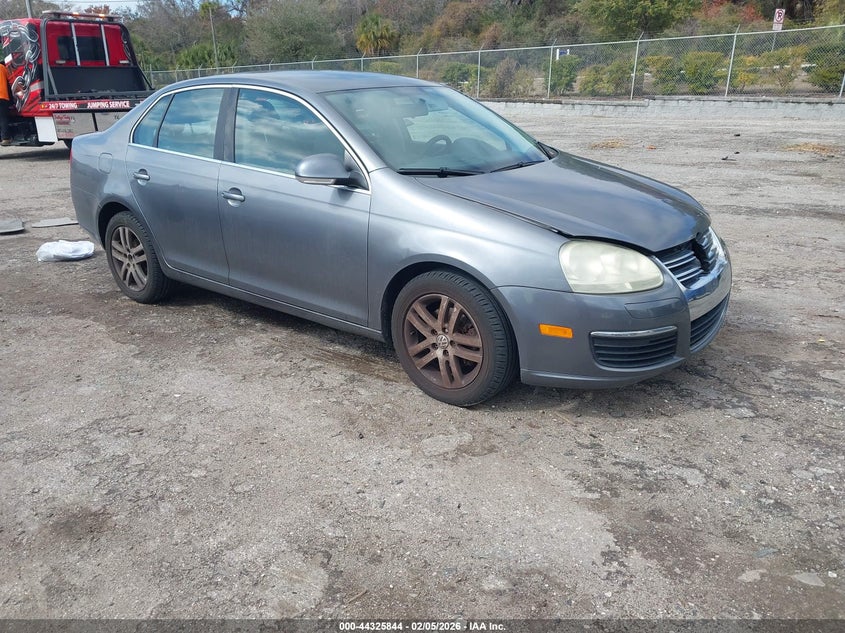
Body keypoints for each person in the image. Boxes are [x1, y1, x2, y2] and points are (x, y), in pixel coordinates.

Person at [0, 59, 12, 146]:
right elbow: (10, 79)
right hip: (3, 97)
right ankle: (5, 138)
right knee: (3, 118)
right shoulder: (2, 67)